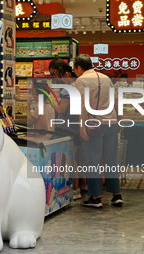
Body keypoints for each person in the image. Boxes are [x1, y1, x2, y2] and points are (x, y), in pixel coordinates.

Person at [73, 54, 123, 208]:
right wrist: (119, 120)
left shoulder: (81, 81)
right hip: (111, 122)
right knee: (111, 159)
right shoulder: (106, 78)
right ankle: (116, 195)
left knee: (92, 161)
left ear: (79, 67)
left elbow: (83, 106)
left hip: (94, 124)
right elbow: (115, 101)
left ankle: (95, 198)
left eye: (75, 68)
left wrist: (82, 128)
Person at [49, 58, 87, 200]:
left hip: (66, 128)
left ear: (64, 73)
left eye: (55, 74)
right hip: (75, 127)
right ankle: (79, 187)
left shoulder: (68, 89)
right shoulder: (77, 85)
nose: (55, 78)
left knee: (70, 159)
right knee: (74, 158)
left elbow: (62, 109)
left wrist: (52, 100)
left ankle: (74, 189)